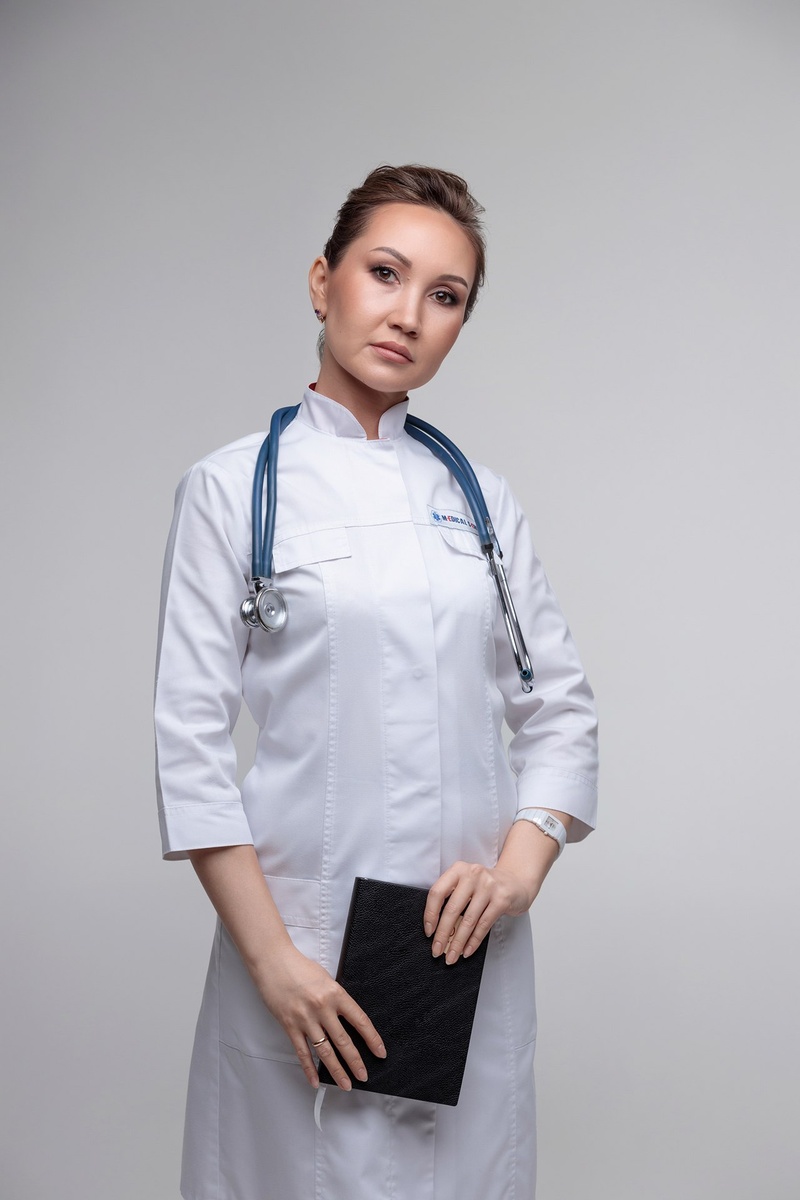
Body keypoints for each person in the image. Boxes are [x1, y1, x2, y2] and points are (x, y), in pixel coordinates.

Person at [154, 164, 598, 1200]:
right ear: (323, 281)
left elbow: (561, 709)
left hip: (460, 955)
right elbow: (189, 745)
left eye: (444, 296)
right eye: (383, 273)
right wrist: (273, 964)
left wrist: (518, 873)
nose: (407, 315)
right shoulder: (230, 490)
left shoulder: (481, 502)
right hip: (297, 945)